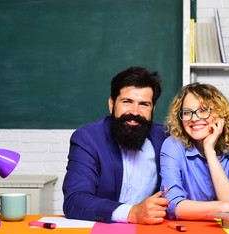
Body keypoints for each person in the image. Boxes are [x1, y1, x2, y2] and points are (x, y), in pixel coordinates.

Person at [63, 66, 169, 224]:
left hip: (151, 230)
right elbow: (75, 200)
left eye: (144, 104)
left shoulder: (165, 138)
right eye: (127, 102)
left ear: (153, 108)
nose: (135, 111)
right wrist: (132, 213)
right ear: (112, 104)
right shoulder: (88, 139)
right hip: (102, 230)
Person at [160, 83, 229, 220]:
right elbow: (173, 206)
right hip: (189, 227)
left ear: (221, 114)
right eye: (186, 112)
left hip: (228, 228)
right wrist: (228, 206)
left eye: (204, 110)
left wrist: (210, 151)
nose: (194, 118)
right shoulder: (173, 145)